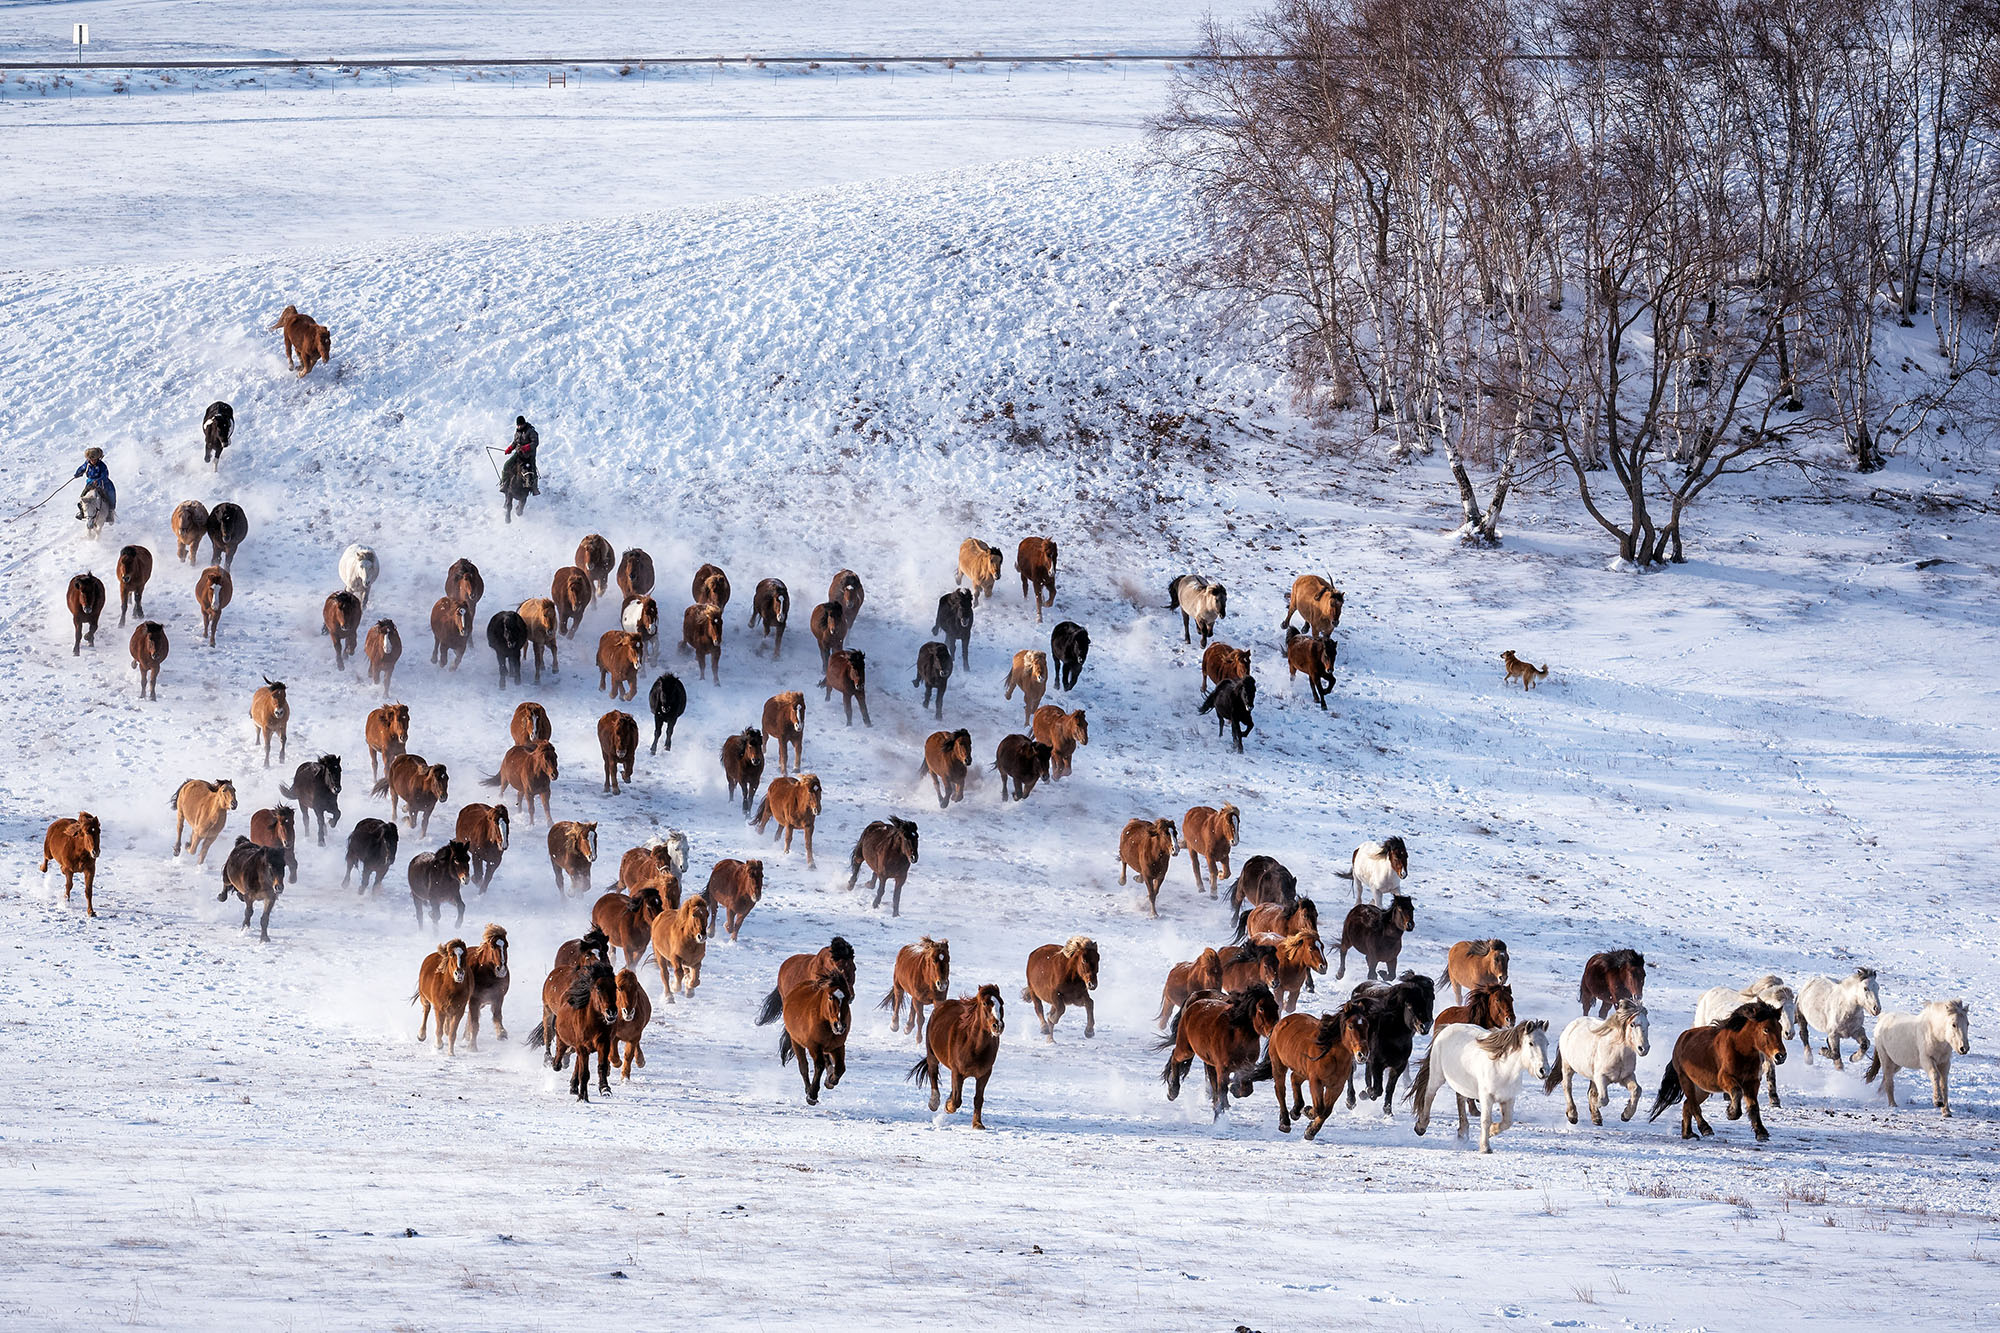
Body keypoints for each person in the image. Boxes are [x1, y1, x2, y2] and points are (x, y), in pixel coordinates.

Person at [74, 448, 115, 523]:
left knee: (111, 496)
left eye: (94, 459)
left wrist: (99, 480)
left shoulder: (102, 466)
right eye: (90, 459)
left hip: (103, 483)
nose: (92, 461)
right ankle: (82, 512)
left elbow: (105, 475)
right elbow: (81, 468)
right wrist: (77, 474)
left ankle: (110, 513)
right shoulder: (87, 464)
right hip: (90, 483)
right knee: (82, 497)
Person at [502, 416, 540, 496]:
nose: (519, 426)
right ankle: (504, 483)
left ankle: (534, 488)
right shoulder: (517, 432)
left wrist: (526, 447)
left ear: (524, 423)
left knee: (532, 470)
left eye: (521, 425)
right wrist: (510, 448)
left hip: (529, 455)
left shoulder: (531, 431)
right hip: (519, 453)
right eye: (518, 425)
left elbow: (535, 442)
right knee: (507, 465)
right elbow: (515, 442)